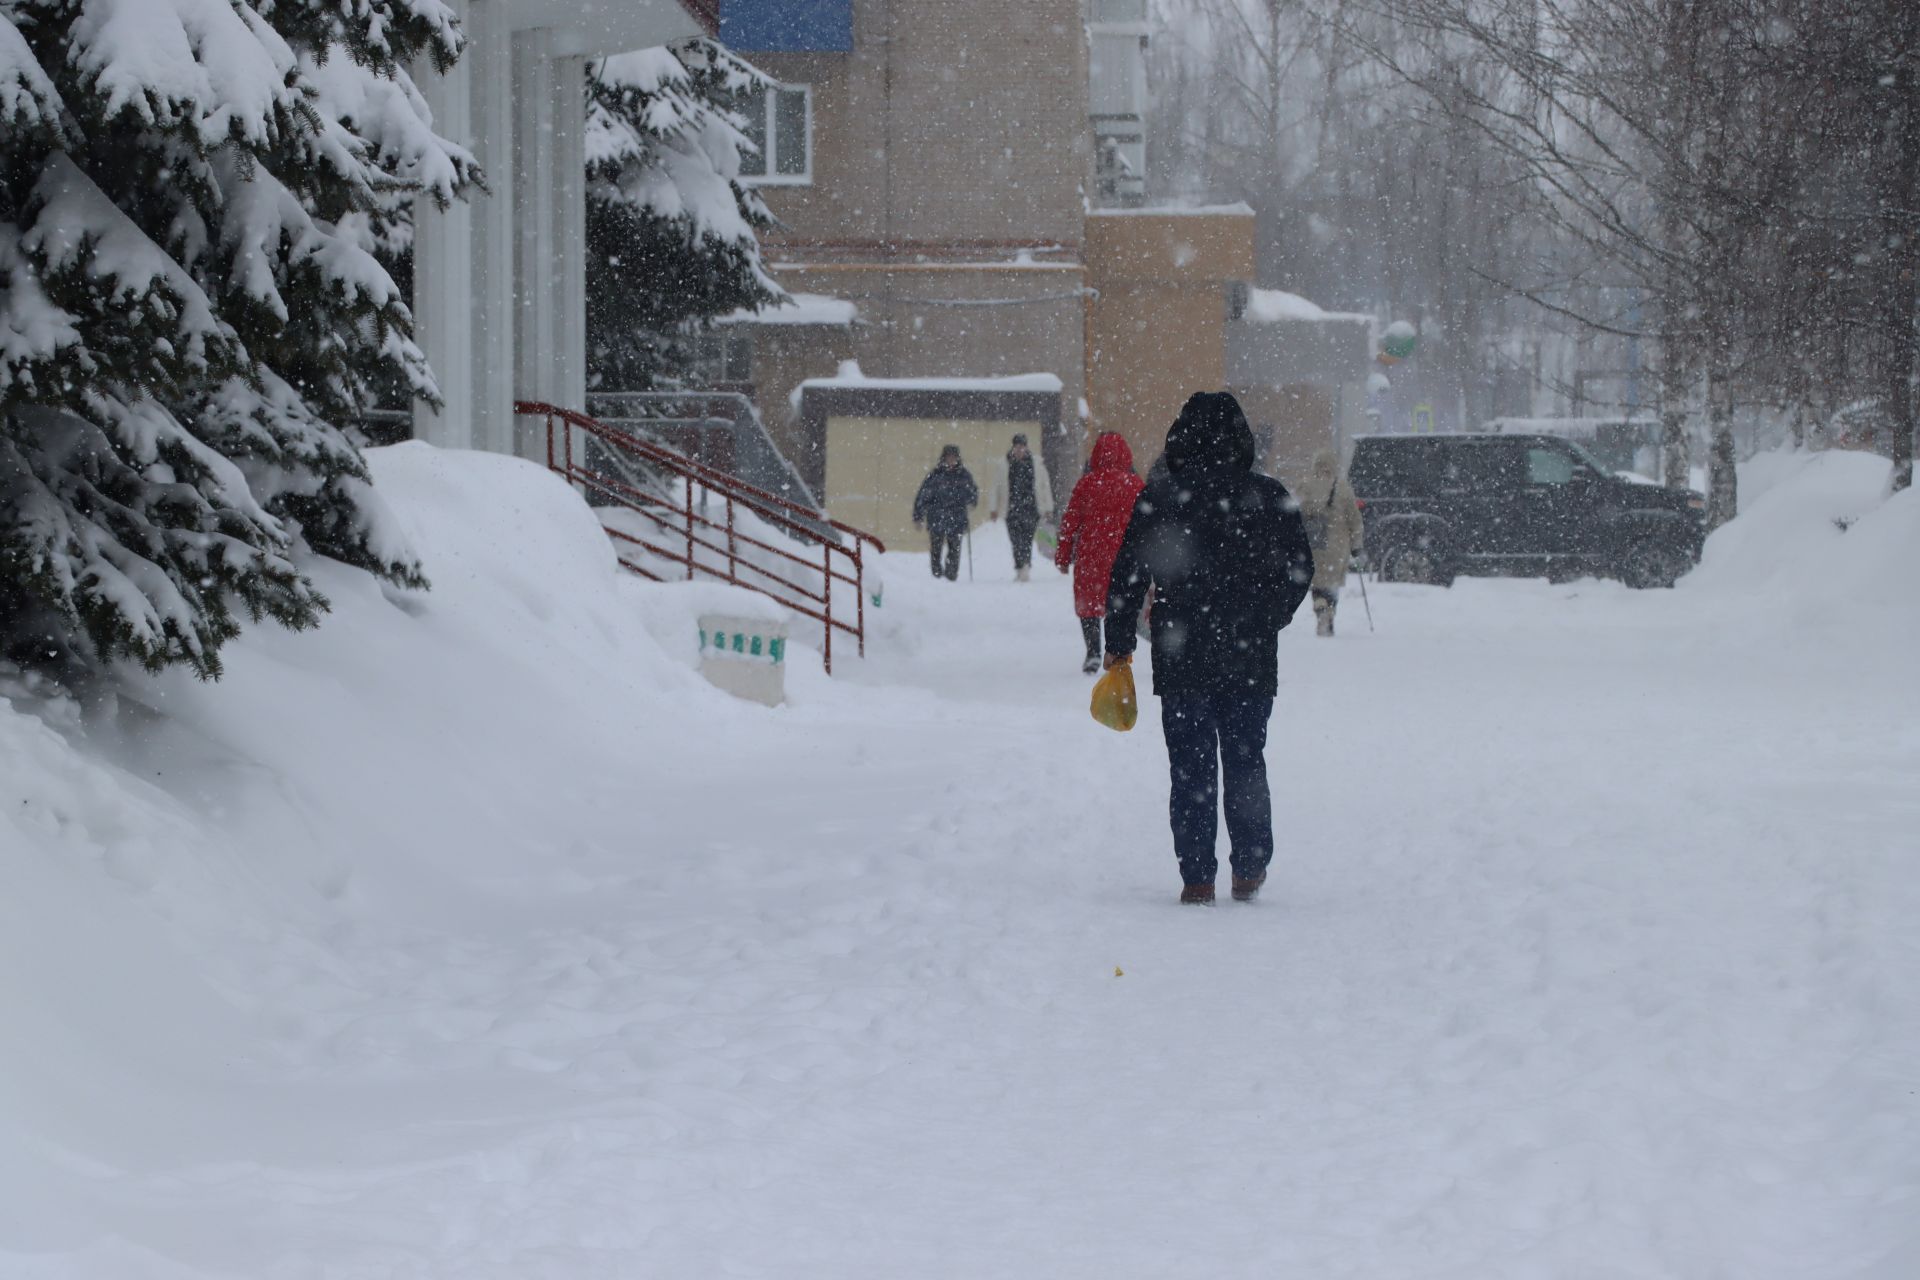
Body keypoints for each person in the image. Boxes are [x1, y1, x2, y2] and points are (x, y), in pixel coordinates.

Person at [1104, 392, 1314, 905]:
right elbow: (1299, 569)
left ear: (1180, 438)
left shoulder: (1160, 498)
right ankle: (1249, 868)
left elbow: (1128, 575)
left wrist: (1118, 642)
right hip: (1249, 653)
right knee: (1246, 760)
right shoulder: (1269, 496)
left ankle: (1197, 876)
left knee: (1191, 767)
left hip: (1182, 651)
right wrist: (1268, 617)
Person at [1055, 432, 1143, 674]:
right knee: (1120, 604)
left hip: (1091, 555)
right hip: (1125, 555)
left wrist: (1063, 557)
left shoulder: (1087, 483)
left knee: (1089, 606)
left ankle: (1093, 652)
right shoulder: (1135, 485)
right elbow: (1149, 524)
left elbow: (1069, 523)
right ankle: (1118, 653)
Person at [1296, 447, 1365, 637]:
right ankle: (1330, 613)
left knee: (1317, 582)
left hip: (1314, 545)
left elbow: (1296, 514)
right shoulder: (1342, 488)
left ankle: (1320, 608)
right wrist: (1357, 546)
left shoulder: (1305, 485)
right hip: (1337, 546)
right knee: (1331, 584)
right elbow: (1355, 521)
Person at [986, 433, 1054, 581]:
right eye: (1017, 447)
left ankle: (1025, 566)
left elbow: (1044, 486)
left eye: (1022, 447)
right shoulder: (1004, 464)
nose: (1020, 450)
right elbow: (996, 487)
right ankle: (1019, 565)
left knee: (1027, 540)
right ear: (1013, 447)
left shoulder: (1036, 464)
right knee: (1015, 540)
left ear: (1026, 447)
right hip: (1011, 509)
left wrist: (1048, 508)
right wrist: (993, 508)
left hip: (1031, 508)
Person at [912, 444, 978, 581]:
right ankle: (936, 575)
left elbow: (972, 492)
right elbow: (923, 495)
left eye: (954, 457)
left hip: (957, 518)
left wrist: (971, 501)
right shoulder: (935, 475)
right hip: (937, 517)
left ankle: (951, 575)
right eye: (949, 457)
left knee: (954, 549)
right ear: (944, 458)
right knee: (936, 549)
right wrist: (918, 515)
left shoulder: (964, 475)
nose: (951, 460)